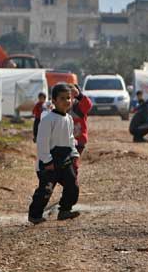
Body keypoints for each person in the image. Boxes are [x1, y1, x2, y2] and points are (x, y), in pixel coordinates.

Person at [28, 83, 80, 224]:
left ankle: (64, 210)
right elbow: (42, 143)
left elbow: (70, 140)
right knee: (46, 190)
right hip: (49, 162)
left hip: (65, 160)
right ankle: (35, 215)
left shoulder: (68, 119)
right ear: (54, 101)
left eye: (68, 98)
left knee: (72, 186)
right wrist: (47, 161)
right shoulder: (47, 120)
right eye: (62, 98)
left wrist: (74, 156)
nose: (66, 101)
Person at [69, 84, 92, 172]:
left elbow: (88, 104)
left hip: (79, 140)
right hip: (65, 140)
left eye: (73, 94)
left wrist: (79, 95)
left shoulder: (79, 107)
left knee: (73, 162)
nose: (70, 98)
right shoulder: (62, 107)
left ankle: (72, 181)